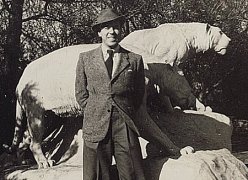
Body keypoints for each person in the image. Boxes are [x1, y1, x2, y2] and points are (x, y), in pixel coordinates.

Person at [75, 8, 146, 180]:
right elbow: (80, 93)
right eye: (106, 28)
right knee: (97, 175)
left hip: (125, 124)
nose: (112, 32)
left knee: (130, 174)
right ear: (99, 32)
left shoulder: (134, 60)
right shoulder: (85, 58)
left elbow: (138, 94)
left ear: (121, 30)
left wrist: (124, 109)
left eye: (116, 27)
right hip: (96, 126)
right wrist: (96, 109)